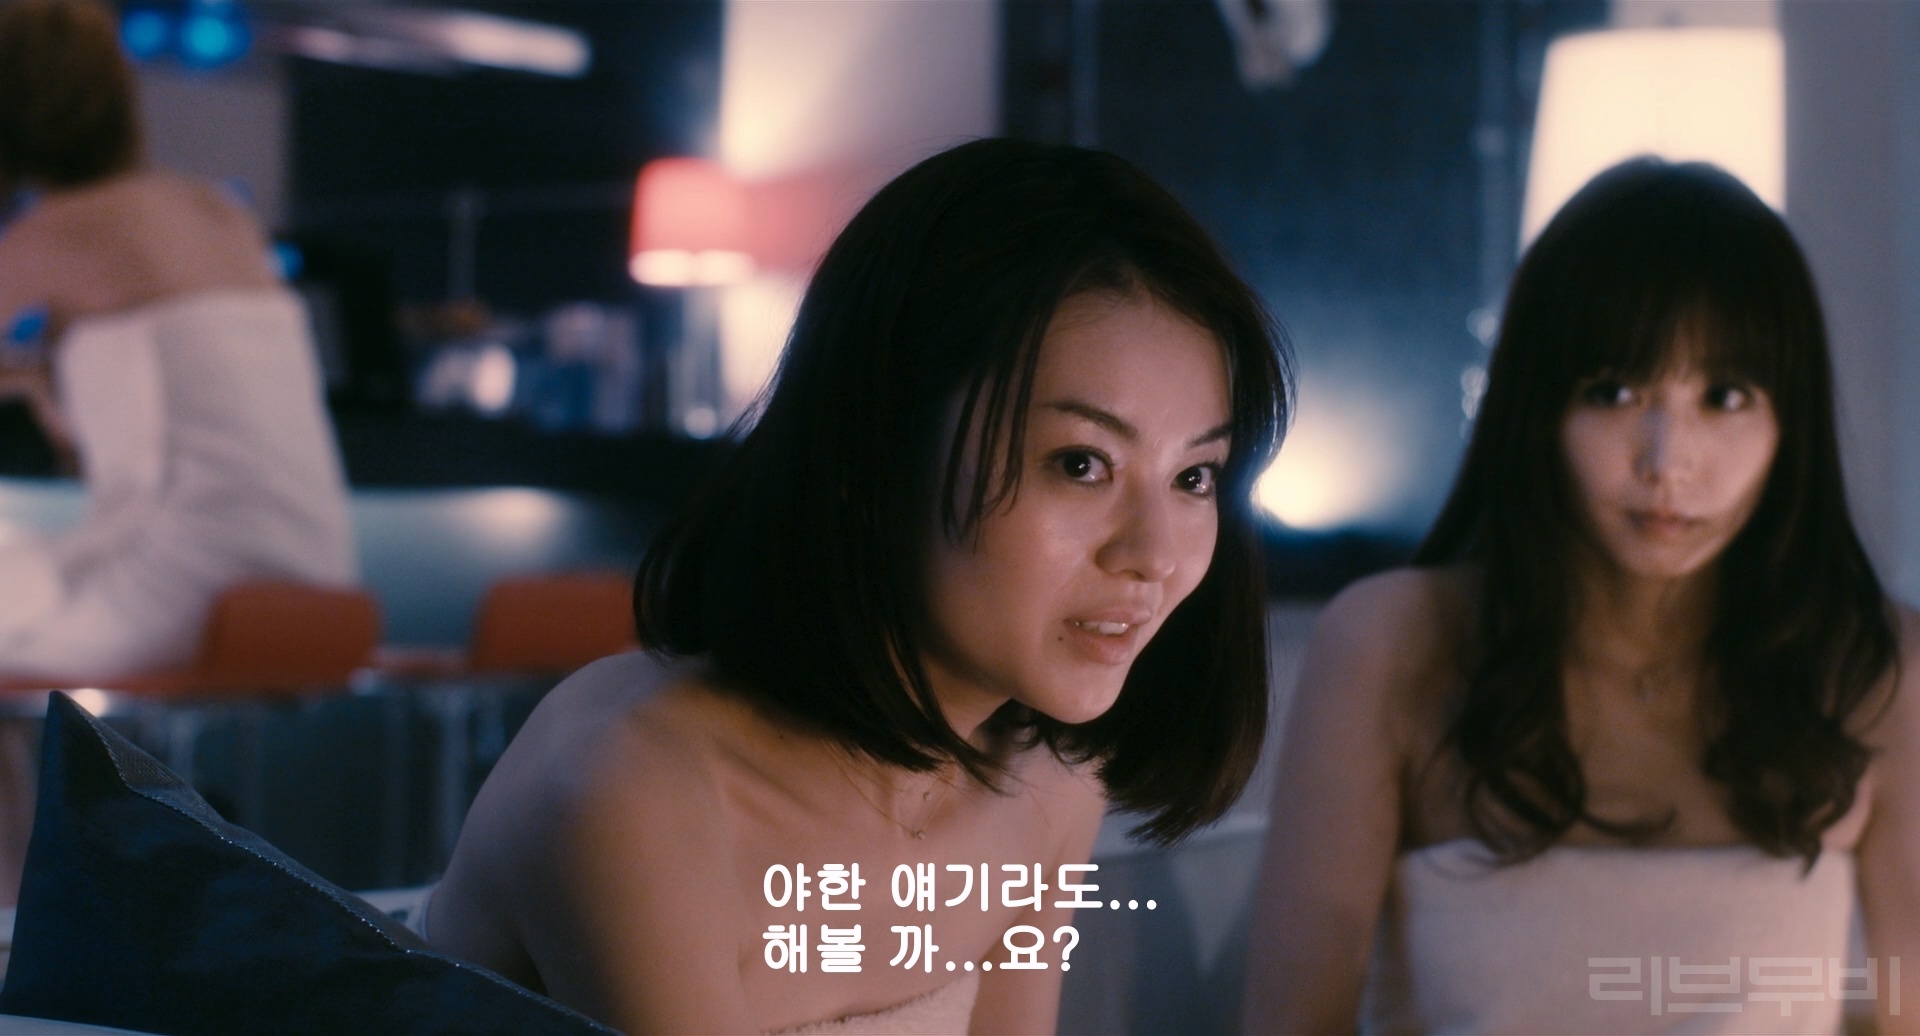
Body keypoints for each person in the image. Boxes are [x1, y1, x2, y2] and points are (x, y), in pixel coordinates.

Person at [429, 138, 1291, 1033]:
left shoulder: (1048, 787)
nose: (1155, 554)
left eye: (1194, 477)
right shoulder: (634, 790)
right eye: (1081, 463)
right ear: (878, 450)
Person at [1241, 157, 1920, 1035]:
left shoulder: (1873, 669)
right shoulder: (1394, 644)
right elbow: (1294, 1022)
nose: (1667, 461)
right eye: (1615, 391)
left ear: (1791, 420)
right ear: (1540, 406)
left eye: (1725, 396)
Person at [0, 0, 355, 908]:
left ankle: (19, 906)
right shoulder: (211, 209)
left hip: (190, 571)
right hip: (310, 571)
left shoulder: (62, 229)